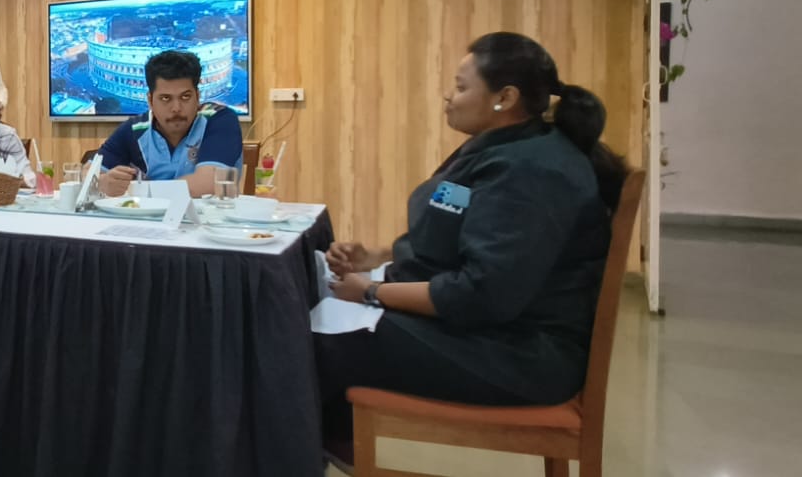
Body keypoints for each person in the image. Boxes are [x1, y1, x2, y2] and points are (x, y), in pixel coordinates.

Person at [315, 32, 627, 466]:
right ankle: (329, 437)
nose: (449, 96)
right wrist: (378, 257)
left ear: (505, 97)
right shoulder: (505, 148)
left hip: (517, 355)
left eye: (461, 87)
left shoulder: (533, 172)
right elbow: (455, 226)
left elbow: (482, 293)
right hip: (492, 328)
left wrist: (371, 291)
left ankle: (308, 447)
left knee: (303, 337)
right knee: (309, 297)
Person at [93, 49, 243, 199]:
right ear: (150, 100)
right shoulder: (135, 129)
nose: (176, 108)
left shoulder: (220, 120)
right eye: (165, 98)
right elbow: (89, 172)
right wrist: (103, 183)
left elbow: (209, 184)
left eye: (185, 97)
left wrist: (136, 189)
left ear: (197, 97)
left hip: (208, 214)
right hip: (150, 214)